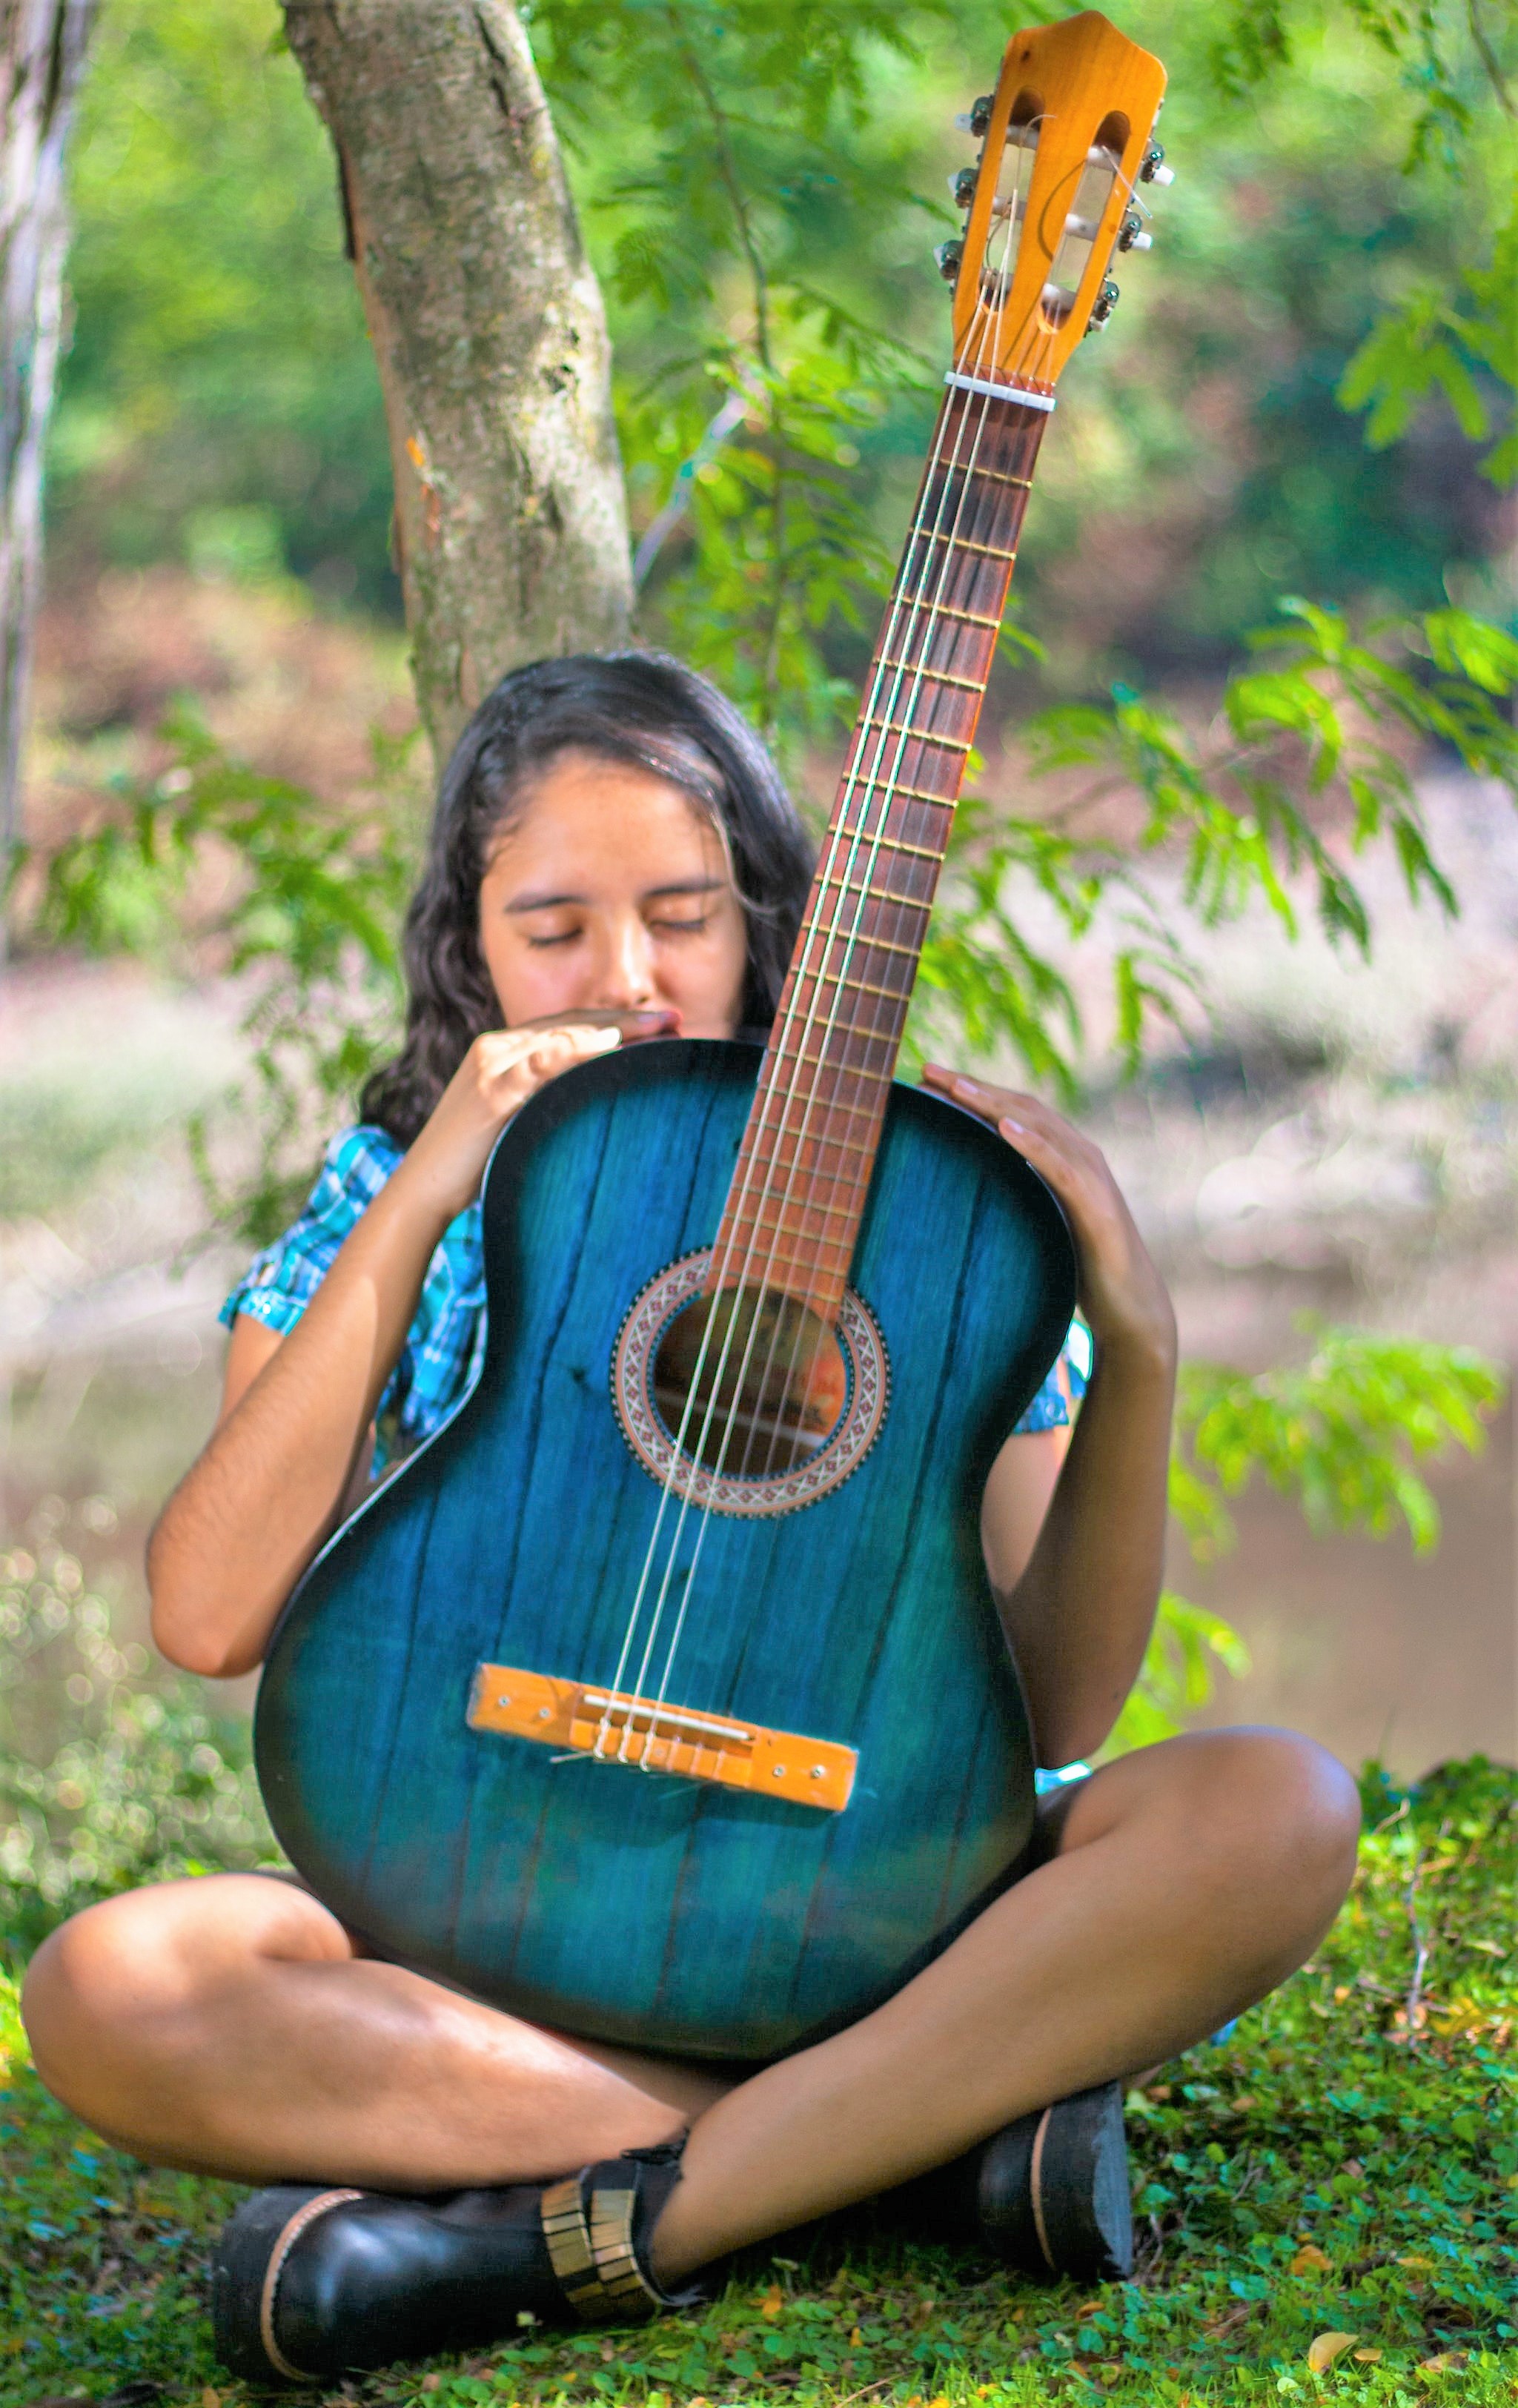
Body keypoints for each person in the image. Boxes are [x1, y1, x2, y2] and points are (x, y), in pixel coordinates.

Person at [21, 652, 1361, 2384]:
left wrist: (1145, 1339)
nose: (630, 975)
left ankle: (629, 2204)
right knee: (114, 1985)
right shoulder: (395, 1194)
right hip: (479, 1911)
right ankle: (897, 2139)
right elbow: (207, 1615)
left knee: (1275, 1803)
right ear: (471, 948)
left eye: (681, 913)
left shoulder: (937, 1217)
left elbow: (1067, 1707)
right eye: (555, 924)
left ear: (765, 924)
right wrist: (433, 1180)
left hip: (869, 1896)